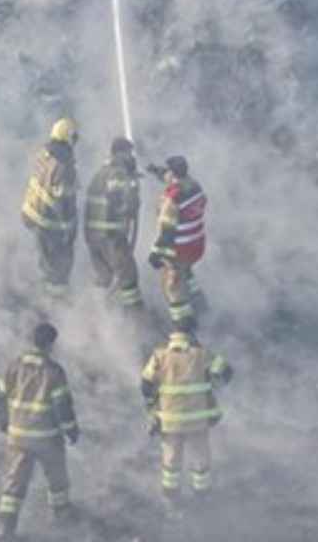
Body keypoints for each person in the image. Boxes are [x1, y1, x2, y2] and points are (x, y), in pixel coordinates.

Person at [0, 322, 80, 538]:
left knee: (15, 480)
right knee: (57, 478)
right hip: (46, 437)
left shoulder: (14, 366)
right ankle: (62, 519)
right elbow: (62, 406)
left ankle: (6, 527)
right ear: (50, 345)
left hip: (18, 436)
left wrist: (4, 421)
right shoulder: (54, 371)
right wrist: (71, 430)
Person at [139, 316, 232, 502]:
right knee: (200, 458)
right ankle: (202, 496)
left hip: (170, 420)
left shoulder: (160, 355)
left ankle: (171, 499)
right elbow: (226, 371)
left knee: (171, 460)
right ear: (191, 333)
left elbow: (146, 384)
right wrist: (212, 382)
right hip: (198, 420)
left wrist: (151, 405)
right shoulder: (202, 354)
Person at [21, 118, 79, 301]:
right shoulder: (63, 164)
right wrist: (67, 230)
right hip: (50, 222)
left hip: (33, 216)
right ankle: (56, 305)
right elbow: (63, 198)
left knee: (45, 262)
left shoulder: (44, 154)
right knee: (58, 268)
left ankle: (45, 297)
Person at [82, 137, 143, 311]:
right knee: (128, 277)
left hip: (93, 238)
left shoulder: (100, 173)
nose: (131, 157)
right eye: (129, 153)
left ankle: (93, 314)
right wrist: (133, 182)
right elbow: (130, 205)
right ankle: (136, 319)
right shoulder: (118, 174)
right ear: (120, 153)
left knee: (104, 277)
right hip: (112, 239)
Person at [146, 155, 206, 325]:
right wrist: (155, 171)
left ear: (173, 174)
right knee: (186, 271)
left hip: (180, 248)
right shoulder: (194, 186)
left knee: (171, 285)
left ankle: (184, 324)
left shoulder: (173, 198)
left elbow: (167, 233)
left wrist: (155, 254)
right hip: (197, 245)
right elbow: (170, 177)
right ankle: (199, 302)